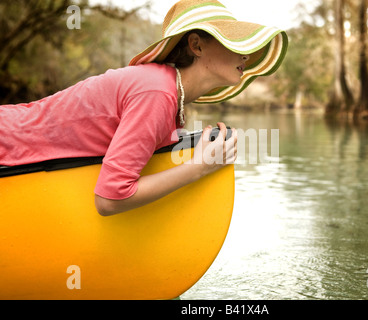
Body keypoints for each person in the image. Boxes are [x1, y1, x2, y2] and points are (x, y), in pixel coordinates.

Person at [0, 0, 288, 216]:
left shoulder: (165, 93)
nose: (246, 54)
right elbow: (110, 199)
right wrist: (200, 167)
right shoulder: (157, 94)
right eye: (234, 42)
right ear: (196, 46)